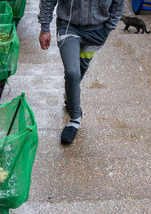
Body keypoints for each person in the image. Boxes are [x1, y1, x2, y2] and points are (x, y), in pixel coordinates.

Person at [38, 0, 125, 144]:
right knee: (72, 72)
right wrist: (45, 27)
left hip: (97, 33)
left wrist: (108, 28)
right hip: (68, 27)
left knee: (81, 69)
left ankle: (70, 95)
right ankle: (75, 119)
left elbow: (118, 3)